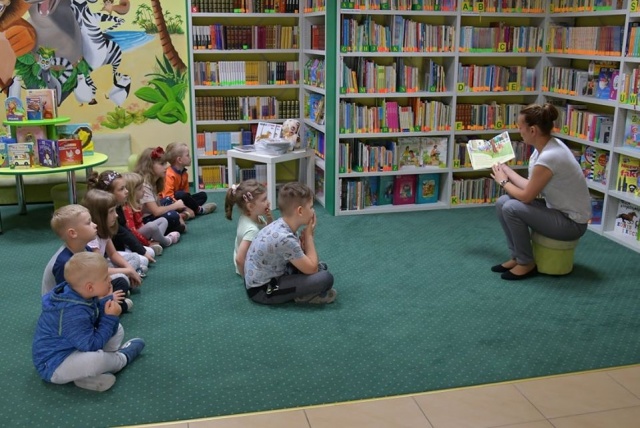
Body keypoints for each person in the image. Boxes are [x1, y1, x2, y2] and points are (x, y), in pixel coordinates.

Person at [490, 103, 592, 280]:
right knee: (502, 202)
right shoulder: (545, 149)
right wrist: (506, 170)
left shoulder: (549, 157)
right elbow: (531, 186)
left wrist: (503, 181)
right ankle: (517, 257)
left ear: (532, 130)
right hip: (557, 211)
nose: (519, 131)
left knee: (511, 207)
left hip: (572, 223)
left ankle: (526, 263)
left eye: (520, 127)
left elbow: (526, 196)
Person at [33, 252, 145, 392]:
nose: (110, 280)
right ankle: (121, 359)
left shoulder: (79, 293)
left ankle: (92, 373)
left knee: (118, 328)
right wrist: (110, 317)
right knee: (97, 360)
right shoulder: (71, 313)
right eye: (106, 278)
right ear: (90, 287)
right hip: (54, 364)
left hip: (76, 346)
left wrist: (105, 303)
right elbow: (91, 345)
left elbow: (93, 313)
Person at [243, 182, 335, 304]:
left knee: (319, 267)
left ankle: (299, 287)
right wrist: (309, 237)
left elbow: (297, 256)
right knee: (326, 278)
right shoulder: (285, 239)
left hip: (266, 274)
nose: (313, 211)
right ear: (300, 211)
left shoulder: (282, 225)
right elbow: (312, 269)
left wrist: (304, 247)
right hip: (264, 290)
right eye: (311, 207)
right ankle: (303, 296)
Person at [42, 204, 133, 313]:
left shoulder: (86, 248)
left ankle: (112, 304)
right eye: (88, 223)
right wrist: (105, 298)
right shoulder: (63, 263)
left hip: (84, 290)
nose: (95, 225)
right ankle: (115, 307)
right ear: (73, 233)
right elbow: (68, 298)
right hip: (64, 306)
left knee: (120, 281)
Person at [87, 170, 156, 273]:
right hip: (106, 257)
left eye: (125, 187)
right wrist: (141, 251)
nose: (127, 191)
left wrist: (142, 249)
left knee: (148, 253)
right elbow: (123, 234)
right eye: (121, 189)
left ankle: (134, 269)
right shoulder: (104, 219)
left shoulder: (118, 207)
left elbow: (126, 232)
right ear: (109, 193)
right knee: (143, 259)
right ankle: (133, 270)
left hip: (117, 250)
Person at [82, 189, 143, 293]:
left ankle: (131, 276)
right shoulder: (92, 238)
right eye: (111, 211)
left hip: (105, 266)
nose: (116, 215)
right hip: (96, 274)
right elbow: (100, 270)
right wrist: (128, 271)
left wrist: (129, 269)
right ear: (98, 215)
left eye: (115, 210)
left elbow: (113, 254)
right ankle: (128, 280)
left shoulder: (104, 229)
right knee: (122, 279)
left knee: (135, 257)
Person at [224, 179, 273, 277]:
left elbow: (267, 231)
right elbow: (239, 260)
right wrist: (247, 278)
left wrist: (269, 219)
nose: (268, 202)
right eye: (264, 200)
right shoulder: (252, 231)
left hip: (253, 253)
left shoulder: (252, 216)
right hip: (251, 266)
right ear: (250, 206)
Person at [134, 146, 186, 234]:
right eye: (162, 164)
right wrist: (175, 206)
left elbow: (157, 204)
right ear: (149, 166)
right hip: (144, 220)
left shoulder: (154, 180)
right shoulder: (144, 184)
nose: (166, 167)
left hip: (150, 213)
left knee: (168, 200)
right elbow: (156, 211)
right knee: (173, 215)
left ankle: (178, 221)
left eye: (165, 163)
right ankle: (177, 222)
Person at [121, 171, 180, 248]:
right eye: (140, 189)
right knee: (151, 225)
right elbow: (132, 231)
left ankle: (155, 242)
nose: (143, 190)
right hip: (136, 236)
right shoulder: (127, 208)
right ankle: (167, 241)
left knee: (163, 220)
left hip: (142, 232)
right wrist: (146, 242)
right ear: (131, 192)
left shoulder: (137, 203)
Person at [161, 142, 217, 219]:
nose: (190, 157)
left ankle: (189, 210)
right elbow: (168, 197)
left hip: (181, 200)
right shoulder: (169, 174)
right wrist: (184, 206)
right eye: (187, 155)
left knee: (202, 195)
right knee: (180, 194)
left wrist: (186, 203)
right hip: (169, 203)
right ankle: (199, 210)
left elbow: (187, 194)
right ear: (179, 160)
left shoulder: (184, 173)